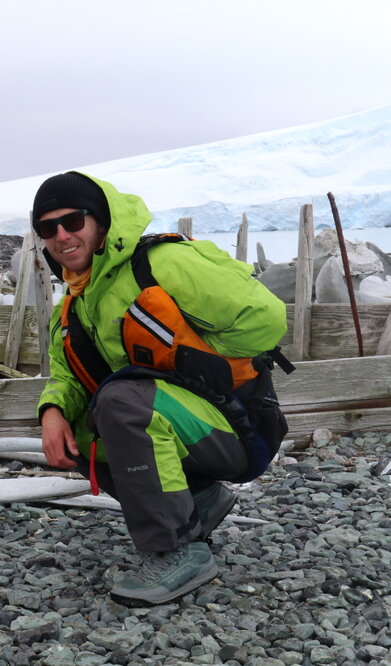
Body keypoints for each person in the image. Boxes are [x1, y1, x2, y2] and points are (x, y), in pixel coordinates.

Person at [33, 172, 290, 606]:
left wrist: (196, 362)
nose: (62, 235)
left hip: (237, 424)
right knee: (79, 427)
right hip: (181, 423)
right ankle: (198, 502)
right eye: (47, 227)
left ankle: (176, 549)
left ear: (101, 223)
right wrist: (51, 411)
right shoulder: (74, 305)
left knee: (122, 401)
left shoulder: (160, 263)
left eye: (73, 221)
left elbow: (266, 317)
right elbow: (66, 375)